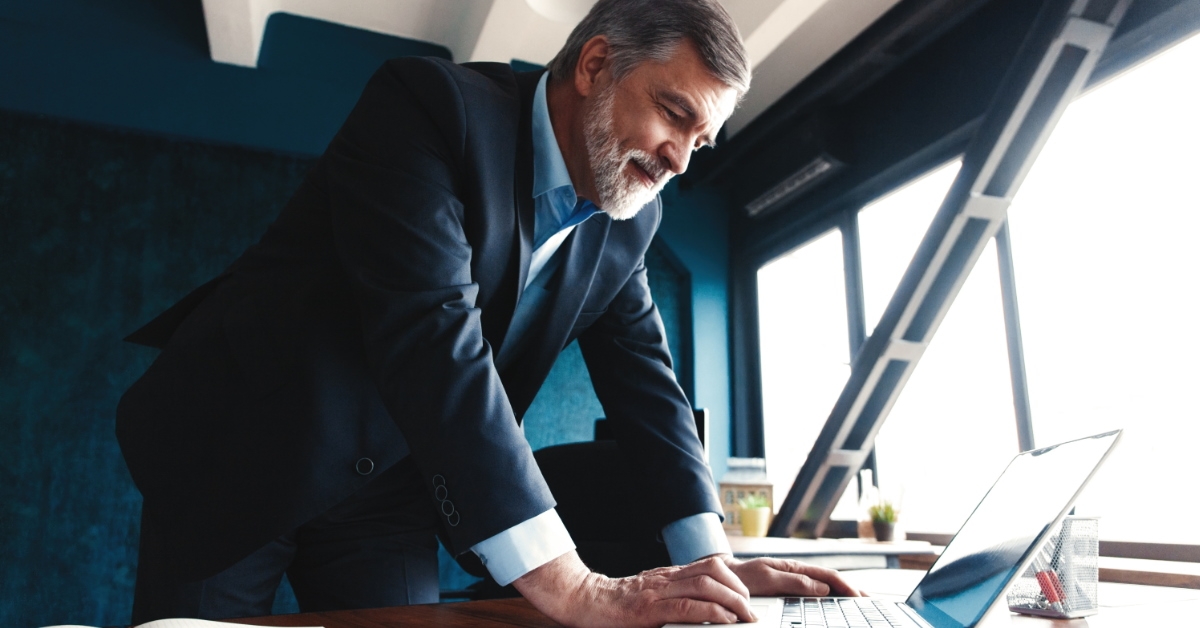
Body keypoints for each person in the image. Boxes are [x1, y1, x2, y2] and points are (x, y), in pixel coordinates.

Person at [116, 0, 861, 625]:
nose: (679, 163)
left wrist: (713, 563)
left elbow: (648, 387)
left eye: (700, 142)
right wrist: (573, 586)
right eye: (675, 114)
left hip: (391, 490)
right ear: (595, 64)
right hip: (245, 450)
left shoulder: (630, 220)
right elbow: (433, 337)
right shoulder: (429, 109)